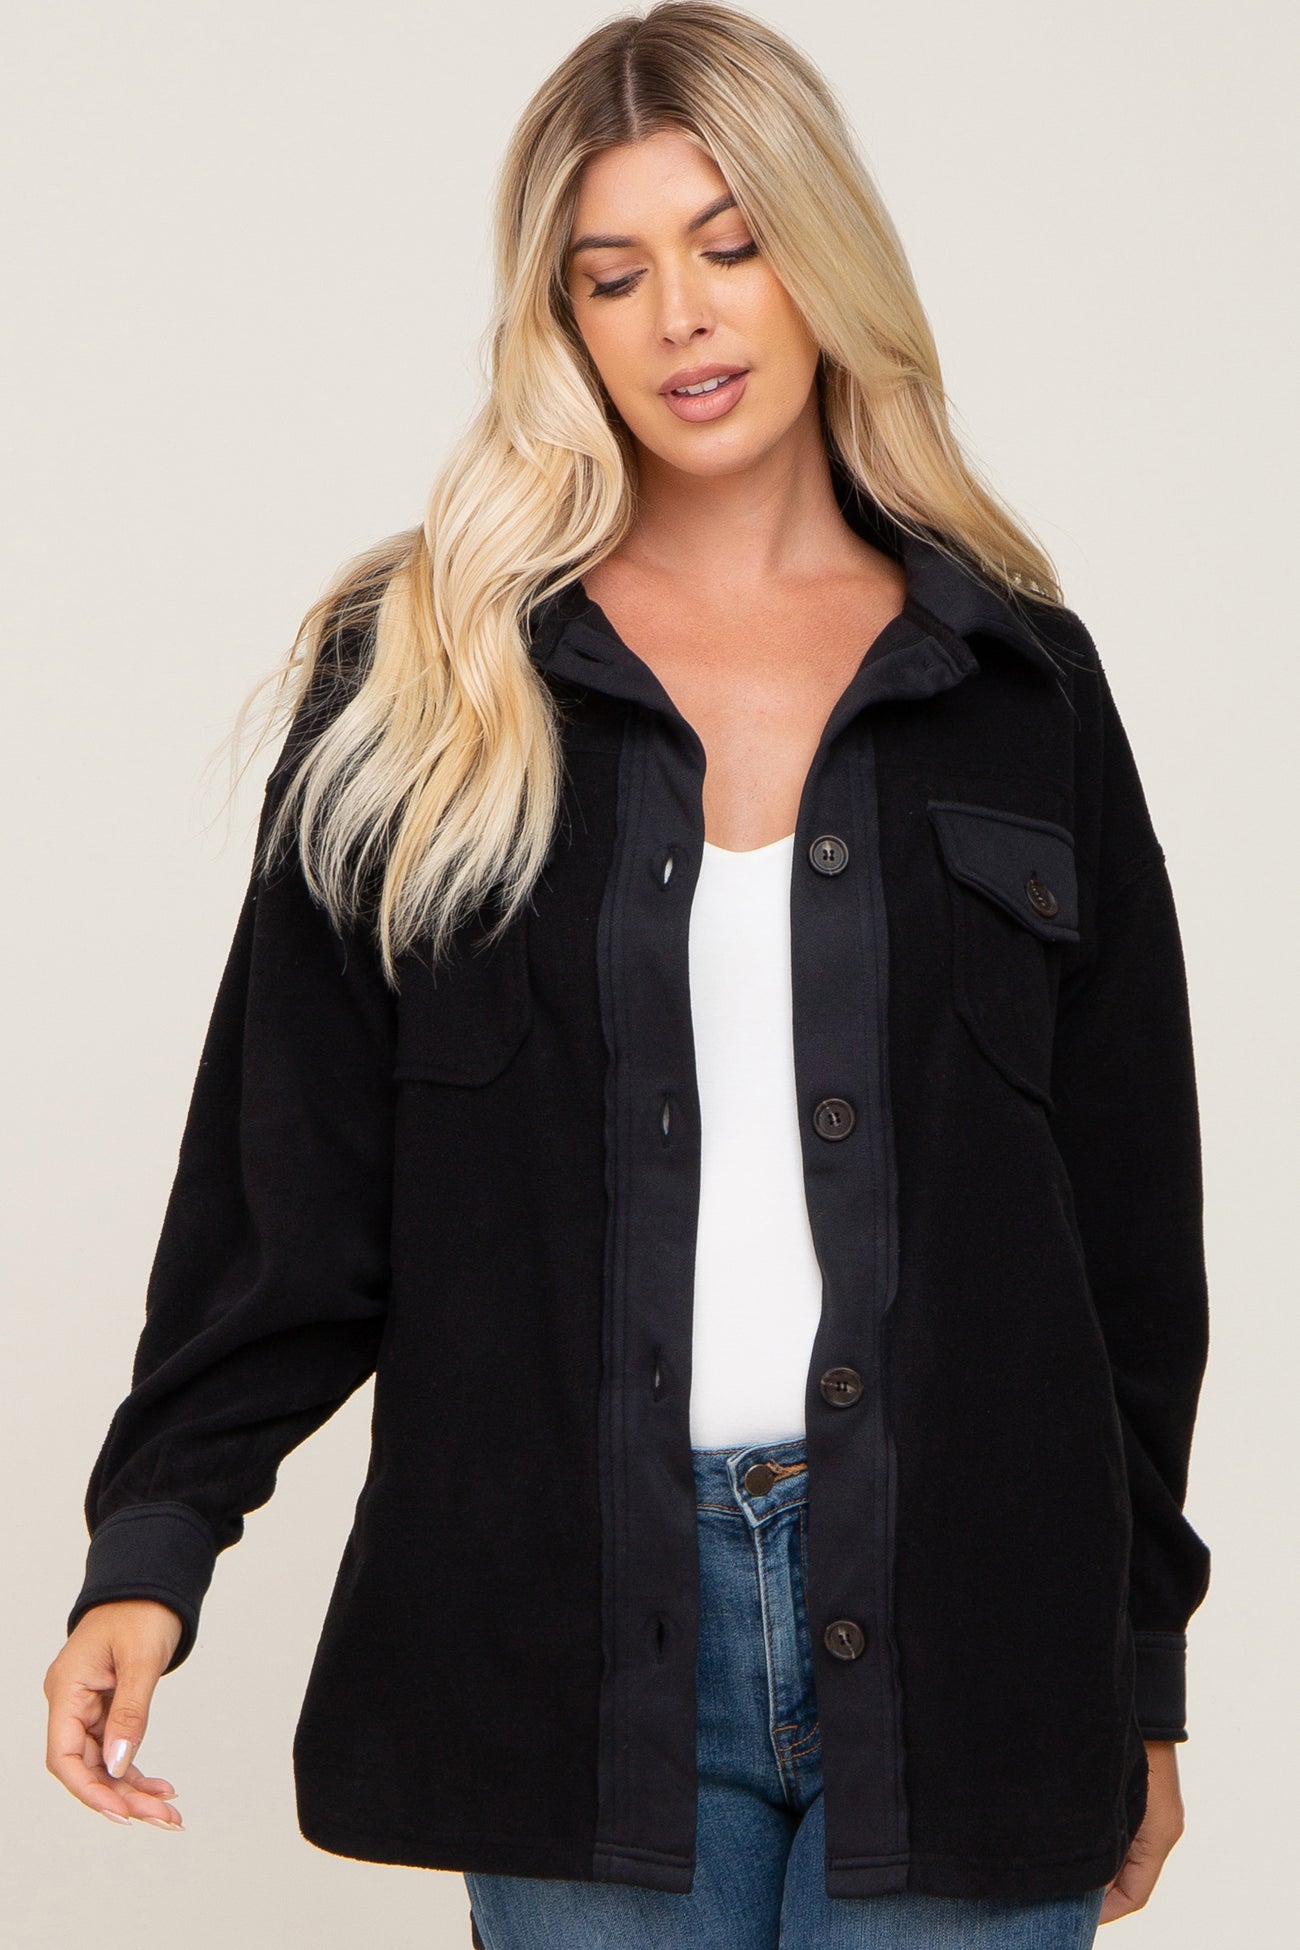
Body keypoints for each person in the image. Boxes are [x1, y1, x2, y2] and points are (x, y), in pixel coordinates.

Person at [43, 5, 1211, 1946]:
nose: (681, 314)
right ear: (558, 316)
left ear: (821, 256)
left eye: (730, 244)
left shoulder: (1020, 686)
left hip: (977, 1629)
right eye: (613, 271)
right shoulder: (425, 677)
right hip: (571, 1637)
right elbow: (286, 1177)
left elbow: (1125, 1246)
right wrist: (152, 1546)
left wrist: (1140, 1664)